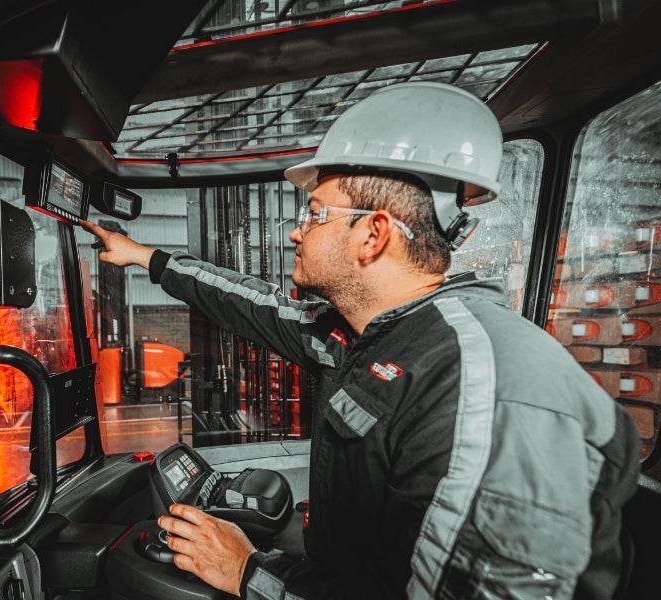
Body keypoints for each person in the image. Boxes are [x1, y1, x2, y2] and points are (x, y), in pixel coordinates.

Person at [81, 81, 640, 599]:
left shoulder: (478, 388)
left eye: (316, 212)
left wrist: (251, 573)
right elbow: (254, 306)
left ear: (372, 233)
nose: (298, 228)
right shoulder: (372, 335)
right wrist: (147, 257)